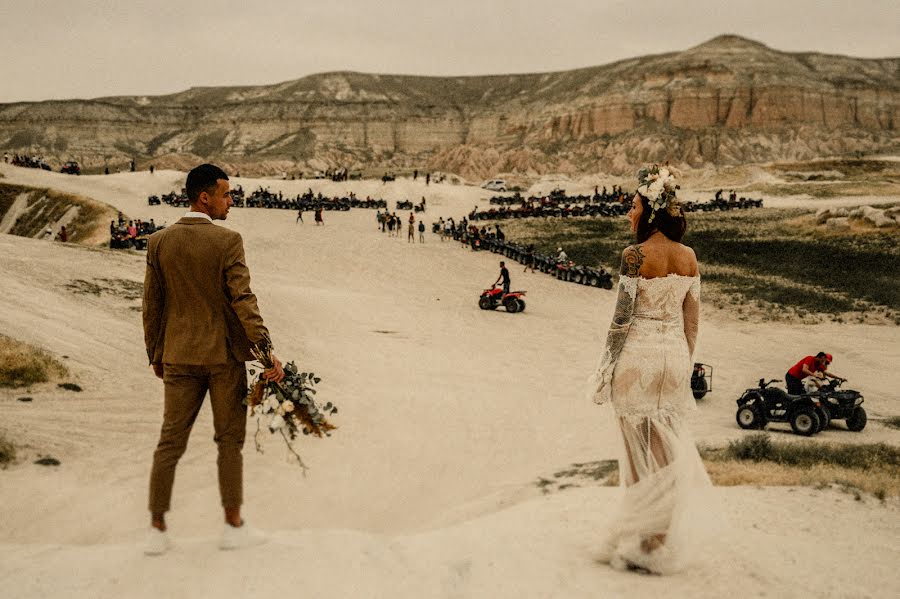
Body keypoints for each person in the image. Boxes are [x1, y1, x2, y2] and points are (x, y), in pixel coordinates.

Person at [142, 164, 285, 556]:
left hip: (177, 355)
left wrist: (156, 352)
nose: (230, 202)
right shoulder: (228, 241)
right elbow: (243, 299)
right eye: (226, 194)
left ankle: (156, 529)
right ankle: (232, 526)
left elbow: (152, 305)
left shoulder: (158, 242)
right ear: (204, 197)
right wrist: (265, 349)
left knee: (169, 441)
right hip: (222, 358)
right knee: (229, 441)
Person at [589, 164, 719, 574]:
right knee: (665, 455)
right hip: (674, 359)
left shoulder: (634, 256)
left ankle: (638, 538)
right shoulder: (689, 257)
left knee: (635, 454)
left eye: (633, 206)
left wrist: (604, 371)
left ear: (649, 211)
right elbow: (692, 321)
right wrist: (683, 362)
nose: (629, 214)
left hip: (637, 360)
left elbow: (621, 320)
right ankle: (656, 543)